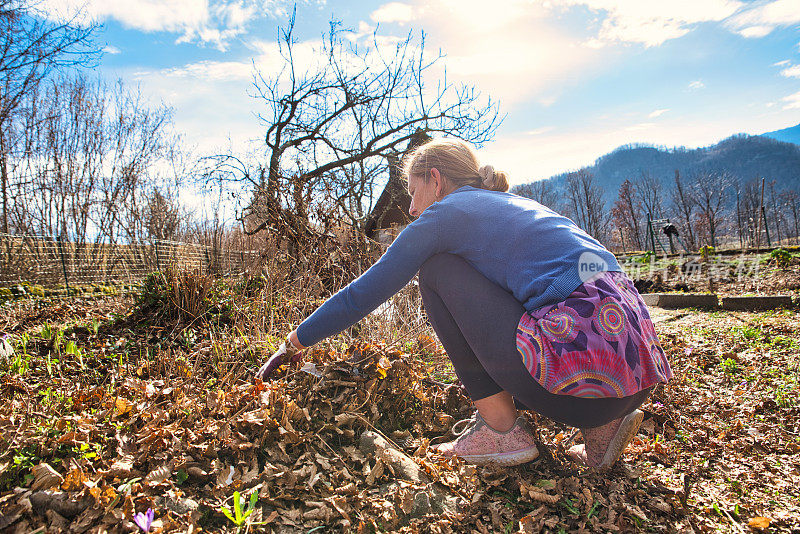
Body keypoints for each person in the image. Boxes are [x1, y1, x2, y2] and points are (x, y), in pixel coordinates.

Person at [256, 138, 672, 468]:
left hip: (580, 375)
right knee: (528, 298)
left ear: (436, 180)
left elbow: (365, 291)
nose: (413, 208)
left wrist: (295, 341)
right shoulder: (515, 205)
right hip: (634, 368)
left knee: (436, 270)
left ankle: (502, 431)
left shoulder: (447, 213)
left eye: (415, 192)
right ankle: (603, 431)